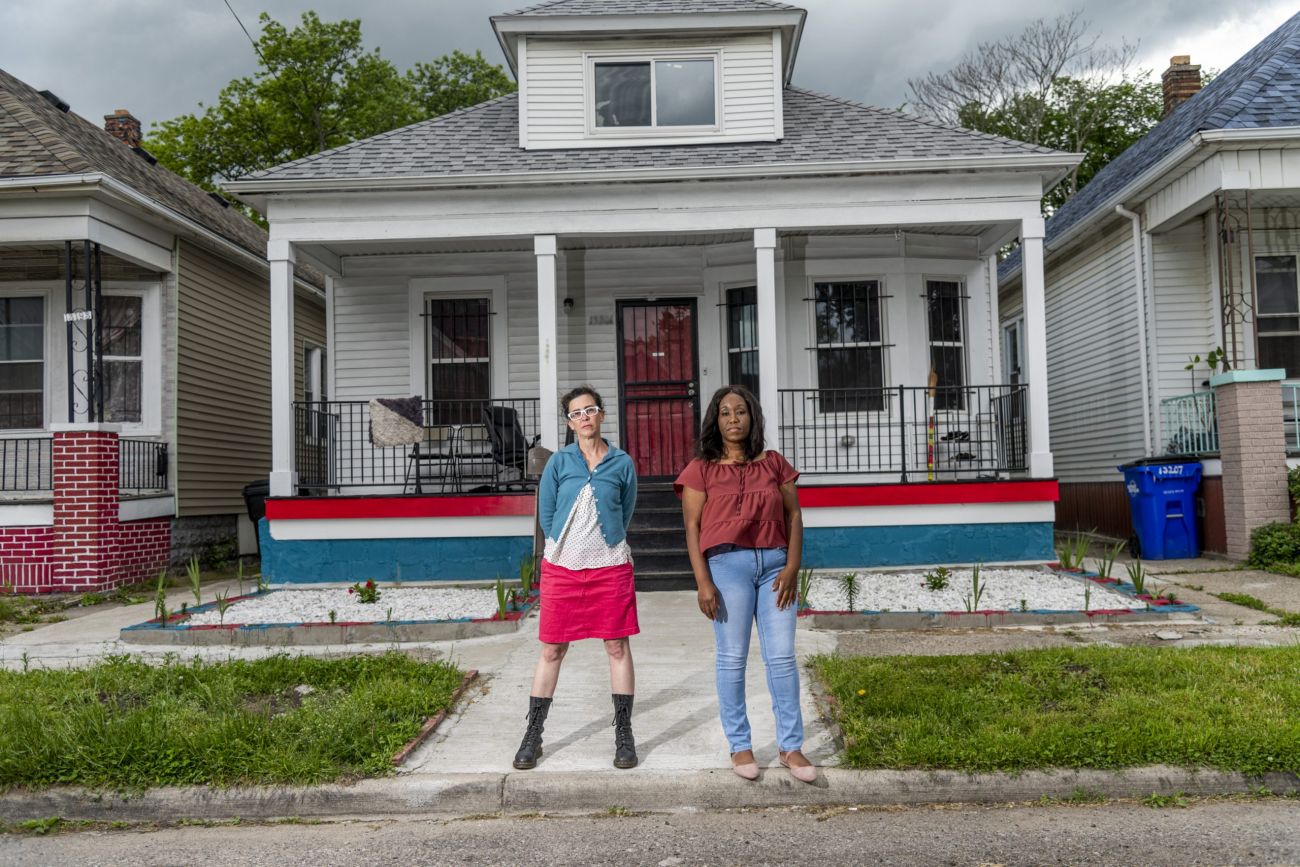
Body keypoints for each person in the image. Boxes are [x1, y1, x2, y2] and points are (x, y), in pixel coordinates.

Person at [674, 385, 815, 783]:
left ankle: (791, 746)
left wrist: (792, 567)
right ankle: (740, 745)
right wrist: (703, 581)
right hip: (726, 567)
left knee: (782, 657)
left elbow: (794, 517)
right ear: (715, 421)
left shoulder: (774, 464)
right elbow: (692, 526)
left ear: (752, 417)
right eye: (725, 412)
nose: (733, 418)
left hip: (775, 568)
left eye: (740, 411)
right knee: (732, 658)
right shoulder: (700, 469)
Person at [513, 385, 640, 770]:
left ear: (601, 415)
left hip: (610, 566)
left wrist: (604, 543)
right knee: (552, 649)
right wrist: (564, 548)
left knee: (617, 647)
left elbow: (627, 508)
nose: (584, 417)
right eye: (576, 413)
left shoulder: (621, 462)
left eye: (590, 410)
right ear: (569, 422)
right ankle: (533, 735)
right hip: (562, 568)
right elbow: (546, 514)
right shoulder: (559, 463)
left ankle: (623, 734)